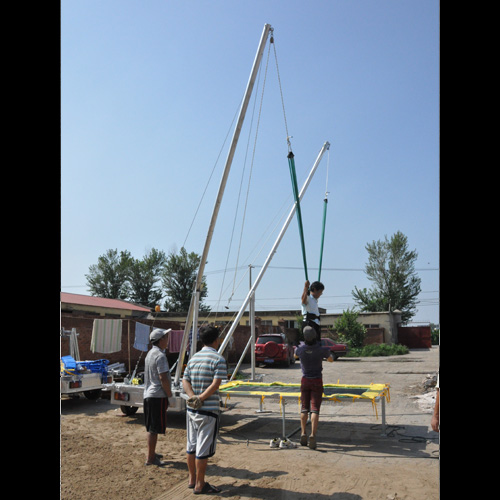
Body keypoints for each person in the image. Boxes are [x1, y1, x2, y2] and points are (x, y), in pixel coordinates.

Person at [182, 325, 228, 495]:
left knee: (191, 446)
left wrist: (192, 397)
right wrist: (201, 398)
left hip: (192, 410)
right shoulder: (218, 359)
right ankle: (200, 485)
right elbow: (216, 384)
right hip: (208, 411)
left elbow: (184, 380)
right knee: (202, 449)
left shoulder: (193, 358)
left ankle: (192, 479)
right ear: (216, 340)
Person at [295, 326, 333, 449]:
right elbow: (330, 359)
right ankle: (312, 434)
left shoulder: (300, 349)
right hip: (317, 380)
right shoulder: (320, 349)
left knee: (304, 408)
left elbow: (295, 356)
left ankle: (303, 433)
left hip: (305, 380)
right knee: (315, 409)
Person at [143, 328, 173, 466]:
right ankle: (150, 458)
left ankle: (152, 453)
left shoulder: (150, 353)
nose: (167, 340)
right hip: (157, 395)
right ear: (161, 340)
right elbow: (163, 378)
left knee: (151, 427)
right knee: (154, 428)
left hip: (149, 394)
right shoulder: (160, 356)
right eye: (166, 337)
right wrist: (170, 395)